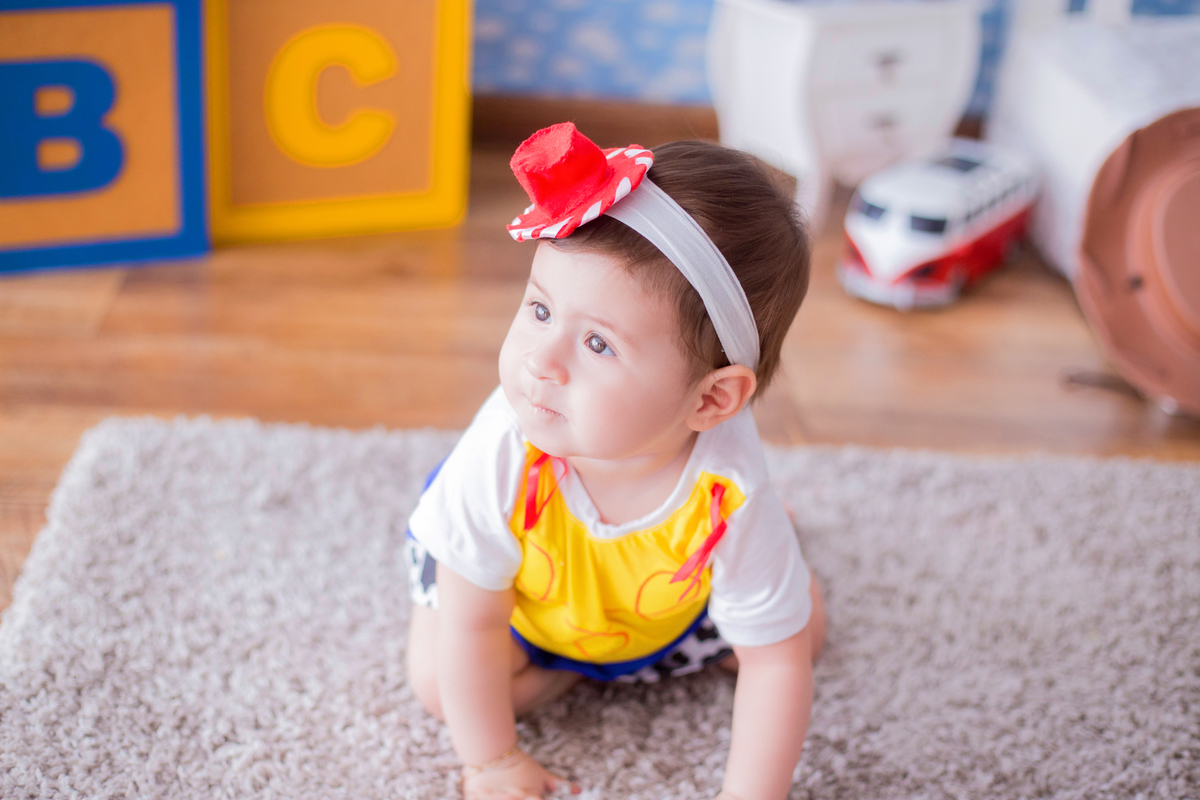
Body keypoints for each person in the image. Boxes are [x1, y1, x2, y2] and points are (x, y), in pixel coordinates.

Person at [404, 122, 825, 800]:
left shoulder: (730, 490)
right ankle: (577, 669)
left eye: (598, 345)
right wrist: (491, 762)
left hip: (662, 610)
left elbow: (774, 669)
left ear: (712, 399)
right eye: (540, 309)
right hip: (519, 608)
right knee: (440, 683)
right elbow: (473, 621)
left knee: (799, 636)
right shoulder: (506, 447)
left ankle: (755, 569)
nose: (541, 361)